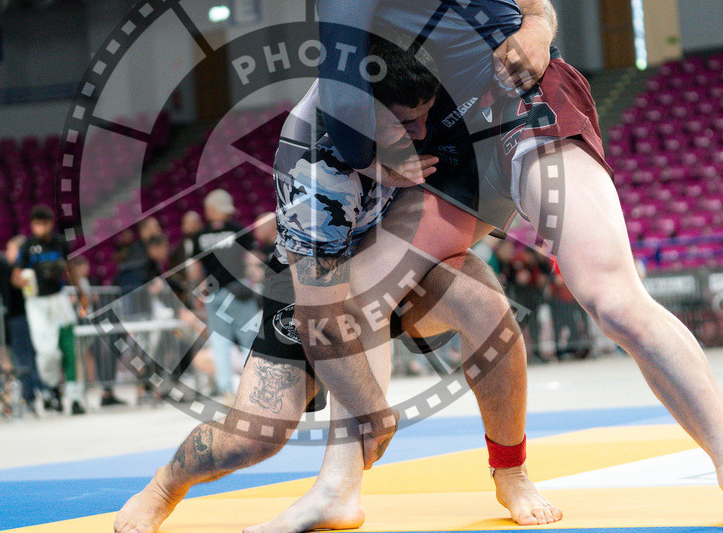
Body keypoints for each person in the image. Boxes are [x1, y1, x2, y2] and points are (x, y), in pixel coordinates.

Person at [199, 0, 723, 530]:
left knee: (612, 299)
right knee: (351, 301)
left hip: (520, 106)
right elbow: (501, 1)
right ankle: (341, 485)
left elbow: (340, 109)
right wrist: (533, 18)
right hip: (452, 146)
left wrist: (371, 150)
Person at [115, 35, 560, 533]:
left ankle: (511, 471)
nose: (420, 132)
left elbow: (513, 13)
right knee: (254, 437)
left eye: (425, 116)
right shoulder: (315, 169)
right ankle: (162, 487)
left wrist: (538, 27)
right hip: (312, 289)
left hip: (399, 250)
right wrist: (375, 409)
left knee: (486, 308)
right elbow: (321, 316)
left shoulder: (414, 72)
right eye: (403, 122)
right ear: (362, 111)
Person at [12, 205, 90, 415]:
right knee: (46, 352)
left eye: (45, 223)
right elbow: (16, 275)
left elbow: (71, 268)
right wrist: (21, 281)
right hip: (37, 303)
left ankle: (74, 397)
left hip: (59, 299)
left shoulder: (60, 242)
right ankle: (52, 387)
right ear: (32, 225)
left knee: (69, 348)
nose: (42, 228)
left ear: (50, 223)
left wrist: (82, 292)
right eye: (38, 224)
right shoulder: (27, 246)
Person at [189, 189, 260, 398]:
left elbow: (195, 271)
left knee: (220, 342)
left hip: (214, 293)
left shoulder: (199, 237)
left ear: (210, 209)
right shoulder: (239, 230)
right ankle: (254, 385)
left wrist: (198, 294)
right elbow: (251, 262)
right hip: (238, 292)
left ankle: (226, 389)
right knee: (248, 339)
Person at [4, 234, 38, 413]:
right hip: (25, 317)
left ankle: (29, 395)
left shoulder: (20, 270)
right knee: (28, 356)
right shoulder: (28, 268)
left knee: (23, 357)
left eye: (9, 249)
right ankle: (34, 393)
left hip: (20, 317)